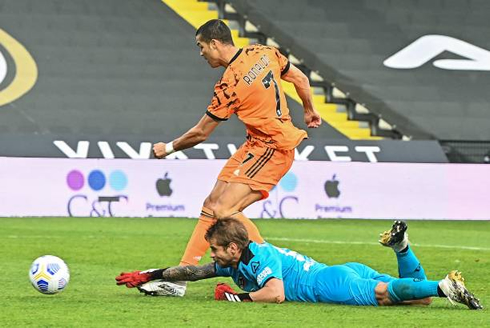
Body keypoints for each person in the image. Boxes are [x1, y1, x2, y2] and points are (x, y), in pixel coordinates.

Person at [148, 19, 321, 296]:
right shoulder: (263, 52)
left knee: (225, 211)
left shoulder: (230, 83)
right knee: (212, 204)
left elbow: (201, 133)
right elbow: (301, 78)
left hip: (273, 147)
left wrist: (167, 148)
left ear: (214, 44)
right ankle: (179, 277)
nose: (201, 53)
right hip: (256, 145)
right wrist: (310, 110)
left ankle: (270, 272)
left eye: (201, 46)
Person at [116, 219, 482, 310]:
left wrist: (234, 299)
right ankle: (403, 249)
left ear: (231, 247)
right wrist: (149, 274)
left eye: (213, 249)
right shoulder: (236, 260)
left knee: (388, 295)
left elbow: (275, 294)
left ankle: (444, 285)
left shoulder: (259, 258)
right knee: (416, 302)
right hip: (341, 270)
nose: (209, 254)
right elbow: (193, 273)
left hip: (328, 285)